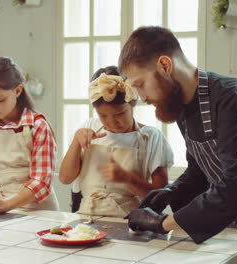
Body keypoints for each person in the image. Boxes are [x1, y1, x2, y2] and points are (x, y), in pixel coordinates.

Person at [120, 26, 237, 264]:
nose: (141, 97)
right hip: (229, 229)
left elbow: (235, 189)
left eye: (140, 84)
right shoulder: (181, 107)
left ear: (165, 66)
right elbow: (200, 172)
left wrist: (162, 224)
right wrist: (170, 192)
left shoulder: (234, 100)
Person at [60, 66, 173, 217]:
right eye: (103, 116)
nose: (112, 123)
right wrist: (76, 141)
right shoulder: (88, 128)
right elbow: (65, 178)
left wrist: (127, 178)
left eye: (120, 114)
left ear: (132, 104)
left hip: (130, 221)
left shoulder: (151, 137)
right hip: (85, 218)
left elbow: (160, 198)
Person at [0, 56, 59, 214]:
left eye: (0, 100)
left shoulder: (37, 126)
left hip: (38, 212)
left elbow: (41, 182)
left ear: (17, 90)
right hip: (2, 209)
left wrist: (8, 204)